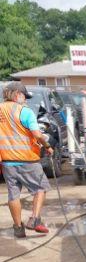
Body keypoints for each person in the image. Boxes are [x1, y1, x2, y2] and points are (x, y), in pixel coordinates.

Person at [0, 82, 53, 238]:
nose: (25, 100)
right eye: (24, 96)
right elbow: (37, 134)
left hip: (7, 162)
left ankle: (18, 228)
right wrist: (48, 146)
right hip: (27, 159)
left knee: (13, 195)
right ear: (17, 94)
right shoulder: (24, 111)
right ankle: (34, 220)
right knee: (40, 188)